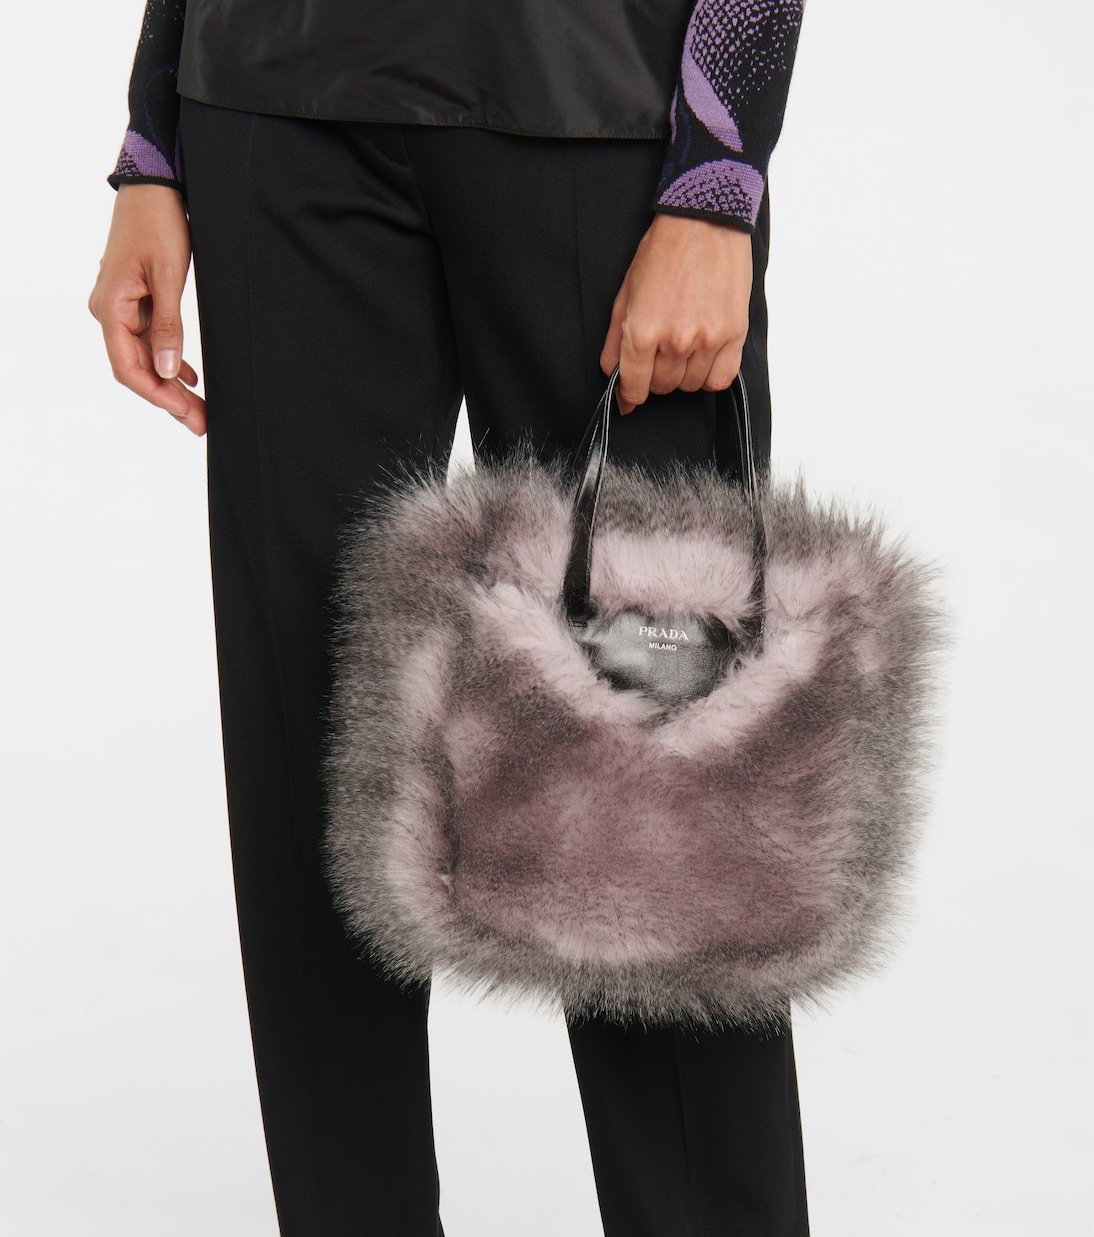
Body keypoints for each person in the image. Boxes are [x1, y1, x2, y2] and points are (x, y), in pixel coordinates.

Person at [88, 2, 810, 1233]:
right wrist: (152, 143)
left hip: (599, 103)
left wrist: (715, 176)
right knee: (315, 737)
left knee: (655, 761)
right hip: (274, 102)